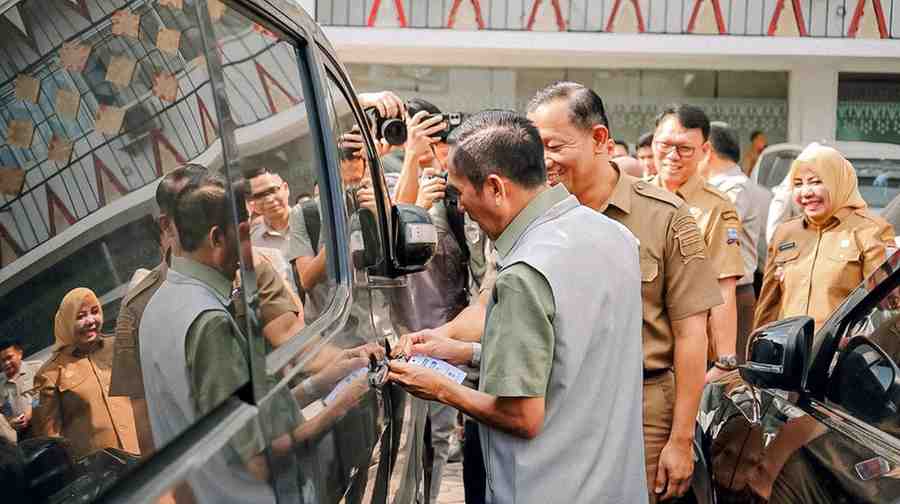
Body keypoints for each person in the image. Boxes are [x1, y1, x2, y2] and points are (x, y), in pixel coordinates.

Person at [389, 110, 648, 503]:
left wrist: (440, 388)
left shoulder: (523, 273)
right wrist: (466, 352)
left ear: (495, 187)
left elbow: (521, 416)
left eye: (459, 194)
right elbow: (569, 358)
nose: (460, 207)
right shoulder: (614, 236)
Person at [526, 82, 721, 503]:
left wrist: (681, 440)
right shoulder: (534, 218)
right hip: (555, 406)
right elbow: (493, 302)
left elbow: (692, 335)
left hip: (642, 409)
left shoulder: (665, 217)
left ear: (599, 139)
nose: (544, 161)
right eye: (535, 146)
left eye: (554, 145)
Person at [390, 98, 478, 504]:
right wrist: (418, 202)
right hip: (396, 332)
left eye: (435, 139)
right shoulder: (392, 180)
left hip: (445, 337)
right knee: (398, 441)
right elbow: (387, 237)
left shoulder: (459, 197)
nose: (429, 148)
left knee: (438, 436)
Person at [649, 104, 745, 382]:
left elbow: (723, 285)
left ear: (705, 151)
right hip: (636, 350)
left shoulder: (717, 208)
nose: (672, 156)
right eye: (665, 145)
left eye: (684, 148)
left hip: (687, 354)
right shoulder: (635, 195)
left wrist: (725, 361)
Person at [754, 143, 895, 331]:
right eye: (798, 184)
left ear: (837, 182)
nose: (805, 192)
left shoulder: (870, 231)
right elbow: (768, 306)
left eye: (815, 182)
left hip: (842, 355)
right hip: (790, 353)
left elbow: (887, 307)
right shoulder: (785, 233)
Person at [32, 288, 140, 460]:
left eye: (95, 312)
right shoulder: (49, 375)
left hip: (147, 453)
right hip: (103, 474)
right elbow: (50, 440)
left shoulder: (120, 346)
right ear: (66, 322)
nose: (90, 321)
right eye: (80, 316)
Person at [699, 122, 772, 362]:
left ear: (707, 150)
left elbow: (710, 235)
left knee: (729, 373)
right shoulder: (726, 186)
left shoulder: (734, 189)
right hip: (715, 293)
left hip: (733, 293)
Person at [1, 339, 41, 442]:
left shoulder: (37, 369)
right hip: (19, 439)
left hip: (42, 429)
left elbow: (48, 396)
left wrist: (31, 412)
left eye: (9, 358)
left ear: (19, 354)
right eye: (2, 360)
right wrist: (10, 423)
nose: (6, 363)